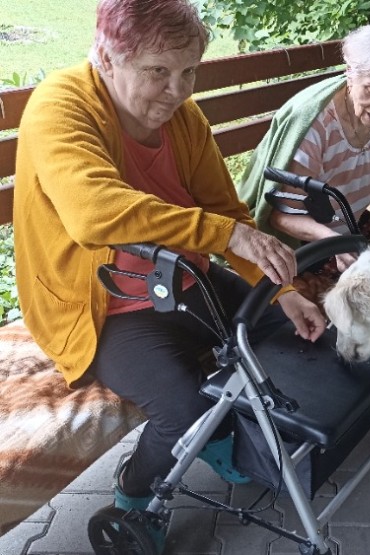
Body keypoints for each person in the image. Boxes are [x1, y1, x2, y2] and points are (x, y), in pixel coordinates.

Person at [13, 0, 326, 548]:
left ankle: (234, 436)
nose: (177, 91)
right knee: (183, 408)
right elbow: (93, 211)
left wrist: (284, 291)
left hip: (182, 278)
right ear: (108, 59)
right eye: (158, 72)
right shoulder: (60, 105)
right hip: (100, 303)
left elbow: (224, 212)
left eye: (188, 73)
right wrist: (227, 236)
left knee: (286, 333)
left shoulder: (182, 117)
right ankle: (137, 495)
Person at [237, 22, 370, 405]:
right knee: (368, 285)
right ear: (351, 72)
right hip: (299, 240)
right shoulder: (315, 126)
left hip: (349, 221)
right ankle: (364, 371)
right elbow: (277, 217)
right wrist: (332, 242)